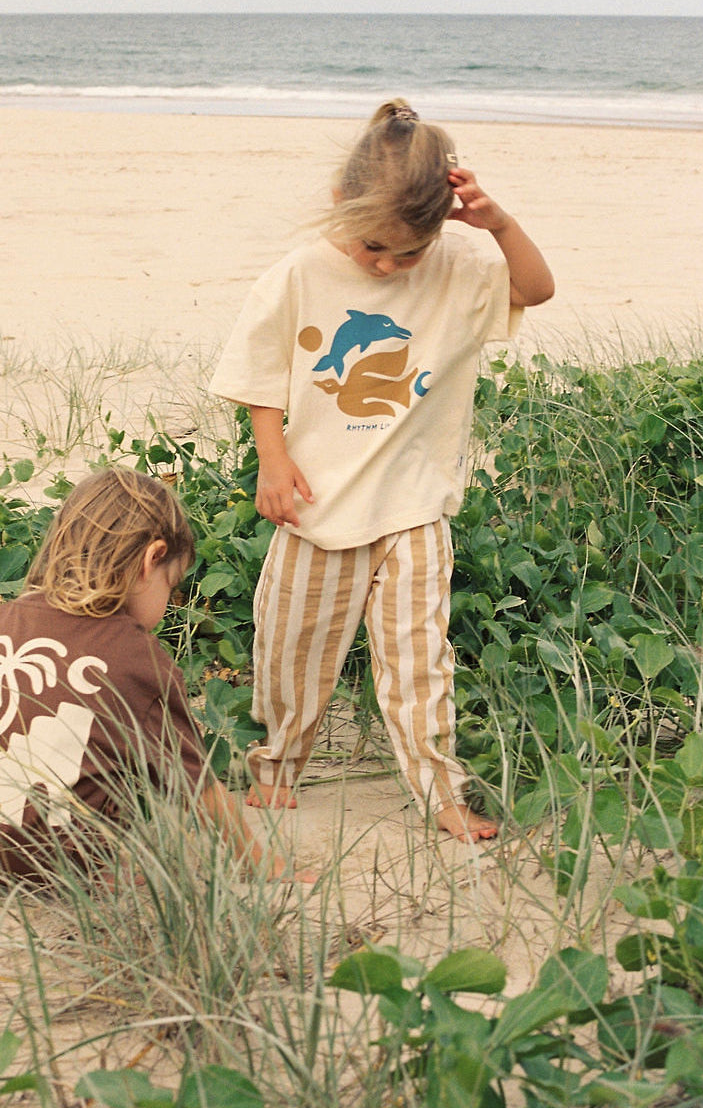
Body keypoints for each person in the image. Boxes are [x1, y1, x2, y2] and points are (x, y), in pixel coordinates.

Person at [209, 98, 555, 843]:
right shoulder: (299, 273)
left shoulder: (460, 266)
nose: (389, 266)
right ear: (340, 203)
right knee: (290, 651)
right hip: (315, 506)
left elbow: (537, 289)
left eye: (409, 252)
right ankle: (276, 771)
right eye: (374, 248)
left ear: (441, 228)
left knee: (419, 662)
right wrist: (272, 459)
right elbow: (259, 373)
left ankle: (441, 793)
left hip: (413, 506)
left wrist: (496, 225)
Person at [0, 468, 309, 886]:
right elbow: (195, 783)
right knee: (130, 821)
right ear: (151, 560)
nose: (169, 602)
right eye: (172, 584)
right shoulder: (137, 658)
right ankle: (101, 870)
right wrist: (261, 862)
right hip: (52, 851)